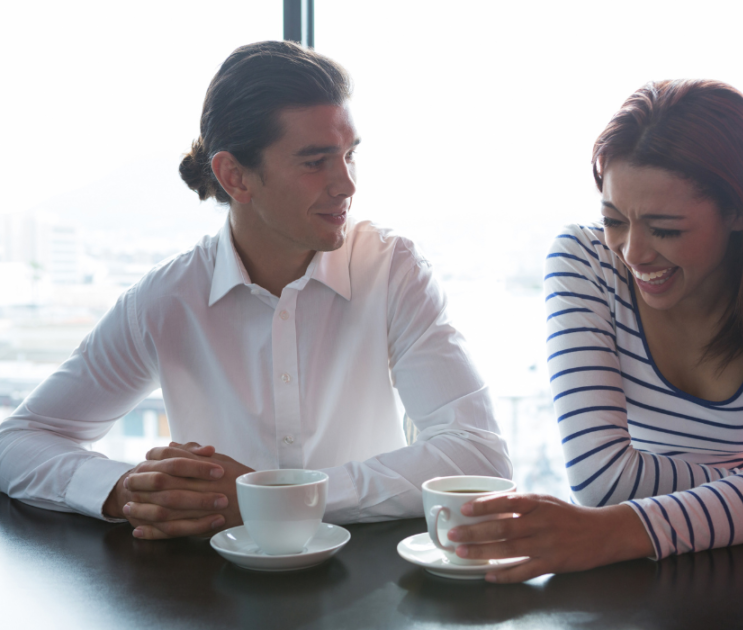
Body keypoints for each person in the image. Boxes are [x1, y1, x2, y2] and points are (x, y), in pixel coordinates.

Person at [0, 41, 510, 539]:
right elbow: (16, 441)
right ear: (234, 177)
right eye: (316, 162)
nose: (347, 184)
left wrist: (272, 499)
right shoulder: (166, 298)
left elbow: (479, 454)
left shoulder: (391, 269)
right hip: (209, 598)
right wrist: (124, 488)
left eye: (350, 155)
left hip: (368, 590)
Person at [448, 79, 743, 582]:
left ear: (740, 212)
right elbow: (599, 480)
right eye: (615, 220)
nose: (634, 253)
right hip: (654, 571)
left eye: (665, 229)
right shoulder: (584, 261)